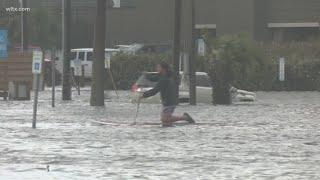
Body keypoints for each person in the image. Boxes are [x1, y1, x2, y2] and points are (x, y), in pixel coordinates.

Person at [139, 62, 195, 127]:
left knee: (165, 119)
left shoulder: (164, 79)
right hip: (167, 101)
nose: (157, 68)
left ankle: (185, 117)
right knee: (165, 121)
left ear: (163, 69)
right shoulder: (162, 75)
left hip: (169, 101)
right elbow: (154, 78)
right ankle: (172, 124)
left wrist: (144, 95)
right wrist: (146, 75)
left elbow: (155, 90)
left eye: (158, 67)